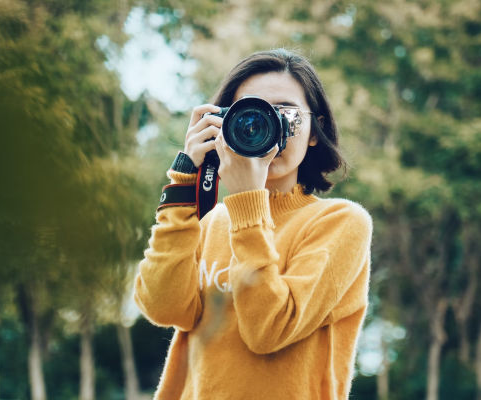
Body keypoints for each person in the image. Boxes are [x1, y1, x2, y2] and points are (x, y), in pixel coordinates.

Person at [134, 48, 373, 400]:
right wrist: (184, 181)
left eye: (285, 113)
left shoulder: (340, 223)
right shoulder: (211, 220)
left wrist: (248, 201)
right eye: (250, 113)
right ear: (222, 124)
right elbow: (162, 306)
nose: (266, 126)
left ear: (313, 130)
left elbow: (268, 331)